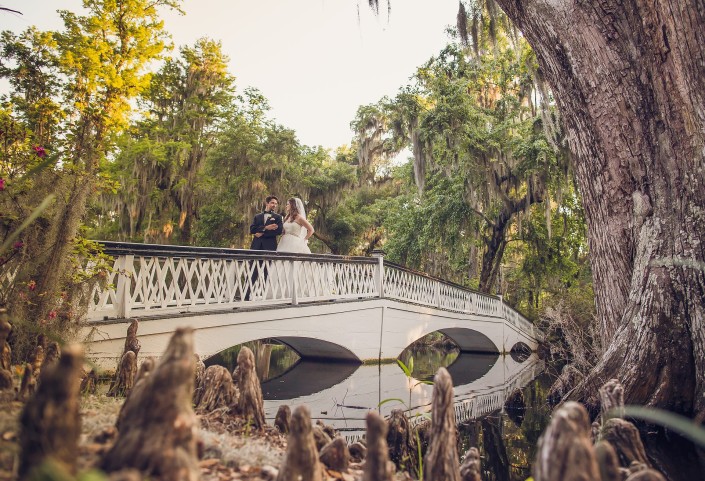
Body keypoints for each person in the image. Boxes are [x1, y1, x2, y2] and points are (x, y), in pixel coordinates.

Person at [246, 196, 283, 300]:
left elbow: (278, 231)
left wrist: (261, 233)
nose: (274, 205)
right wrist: (266, 228)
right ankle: (246, 295)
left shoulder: (278, 217)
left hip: (269, 248)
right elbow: (252, 229)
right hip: (256, 247)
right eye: (272, 203)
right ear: (266, 203)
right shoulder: (257, 216)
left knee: (268, 272)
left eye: (276, 203)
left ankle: (268, 296)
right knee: (252, 271)